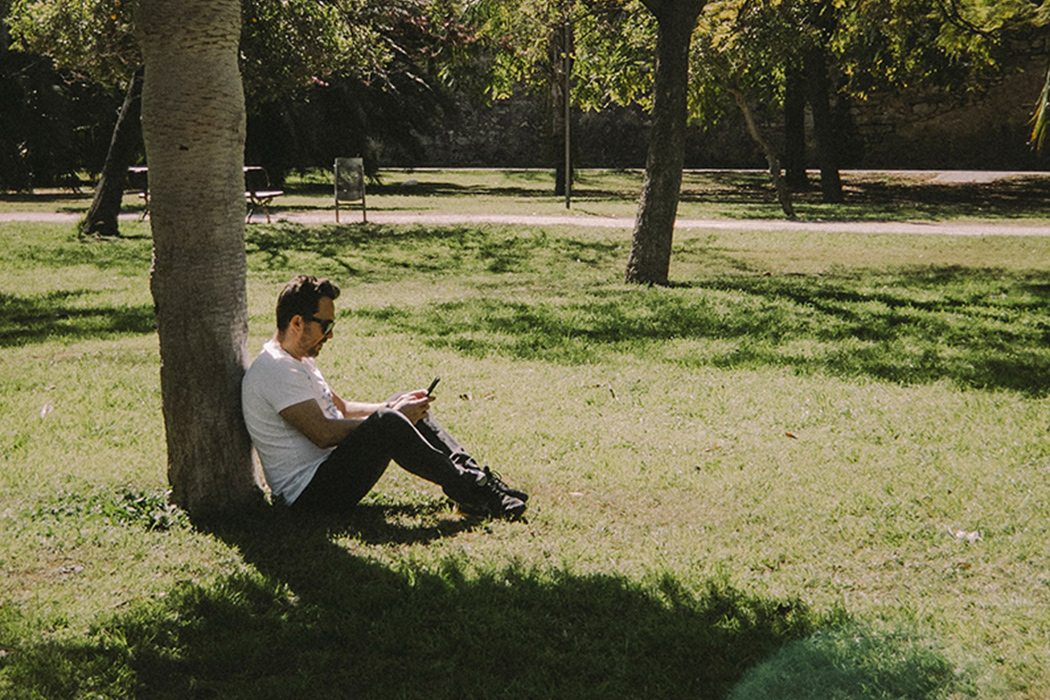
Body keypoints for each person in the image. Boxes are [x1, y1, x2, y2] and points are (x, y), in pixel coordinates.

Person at [242, 274, 528, 519]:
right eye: (325, 326)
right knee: (390, 420)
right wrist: (393, 417)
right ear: (296, 323)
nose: (330, 336)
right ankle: (472, 488)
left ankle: (477, 481)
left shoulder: (299, 359)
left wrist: (394, 407)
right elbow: (323, 433)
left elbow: (340, 408)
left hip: (327, 473)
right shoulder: (275, 369)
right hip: (308, 497)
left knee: (399, 405)